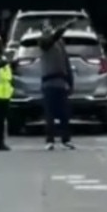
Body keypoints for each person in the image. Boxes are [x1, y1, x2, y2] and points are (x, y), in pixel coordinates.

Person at [38, 19, 76, 150]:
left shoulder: (60, 43)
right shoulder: (43, 42)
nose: (48, 28)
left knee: (64, 113)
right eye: (45, 27)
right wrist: (64, 27)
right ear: (42, 30)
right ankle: (50, 140)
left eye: (49, 26)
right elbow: (51, 39)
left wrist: (70, 83)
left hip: (61, 82)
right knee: (50, 114)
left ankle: (66, 139)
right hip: (48, 83)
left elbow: (67, 64)